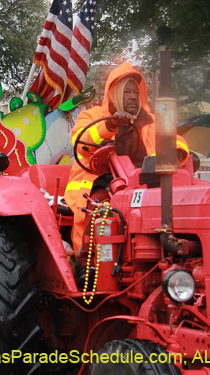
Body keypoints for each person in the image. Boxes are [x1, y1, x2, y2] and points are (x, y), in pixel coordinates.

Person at [64, 62, 156, 252]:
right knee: (97, 212)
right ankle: (87, 265)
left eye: (136, 93)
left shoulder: (150, 121)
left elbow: (174, 140)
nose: (132, 97)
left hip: (145, 186)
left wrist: (181, 152)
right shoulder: (92, 115)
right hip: (103, 183)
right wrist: (109, 125)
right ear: (114, 93)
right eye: (126, 92)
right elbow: (81, 143)